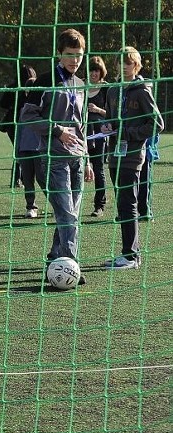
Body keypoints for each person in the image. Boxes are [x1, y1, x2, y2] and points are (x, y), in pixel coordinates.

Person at [21, 28, 93, 282]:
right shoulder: (45, 80)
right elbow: (27, 116)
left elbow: (82, 125)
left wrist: (88, 161)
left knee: (69, 214)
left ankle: (55, 256)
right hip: (53, 158)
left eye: (79, 55)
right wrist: (57, 130)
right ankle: (71, 264)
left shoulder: (81, 83)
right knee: (67, 215)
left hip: (78, 158)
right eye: (70, 55)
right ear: (59, 54)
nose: (75, 60)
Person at [99, 46, 164, 269]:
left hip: (134, 155)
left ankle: (132, 256)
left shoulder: (142, 90)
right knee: (122, 205)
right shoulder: (112, 91)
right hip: (115, 155)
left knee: (129, 204)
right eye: (121, 62)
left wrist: (130, 134)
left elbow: (157, 124)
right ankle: (127, 253)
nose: (125, 66)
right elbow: (109, 119)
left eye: (129, 62)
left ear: (136, 65)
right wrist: (107, 126)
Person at [0, 64, 37, 188]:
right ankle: (19, 179)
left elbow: (2, 104)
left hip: (13, 123)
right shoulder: (32, 87)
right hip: (24, 123)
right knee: (22, 151)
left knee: (19, 151)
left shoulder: (13, 87)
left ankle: (18, 179)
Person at [14, 73, 46, 218]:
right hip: (24, 149)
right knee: (27, 180)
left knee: (43, 179)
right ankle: (31, 207)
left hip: (40, 150)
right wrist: (17, 150)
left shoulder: (44, 108)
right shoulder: (22, 110)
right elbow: (19, 131)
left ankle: (57, 204)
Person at [86, 56, 110, 217]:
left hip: (99, 134)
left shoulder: (108, 88)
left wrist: (97, 110)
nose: (94, 73)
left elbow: (114, 114)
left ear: (101, 72)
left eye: (97, 70)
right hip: (80, 132)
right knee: (76, 167)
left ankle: (99, 205)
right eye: (91, 70)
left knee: (98, 168)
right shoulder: (81, 85)